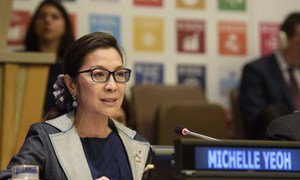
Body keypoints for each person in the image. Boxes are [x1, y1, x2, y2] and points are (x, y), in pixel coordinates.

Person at [0, 32, 154, 180]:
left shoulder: (139, 145)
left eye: (119, 74)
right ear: (71, 85)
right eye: (99, 74)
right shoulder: (45, 139)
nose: (112, 86)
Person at [239, 12, 300, 139]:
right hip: (278, 145)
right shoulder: (256, 71)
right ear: (283, 40)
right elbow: (256, 121)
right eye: (299, 44)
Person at [24, 0, 75, 114]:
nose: (47, 20)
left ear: (64, 26)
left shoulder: (73, 65)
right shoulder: (18, 62)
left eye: (55, 17)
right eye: (42, 16)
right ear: (34, 24)